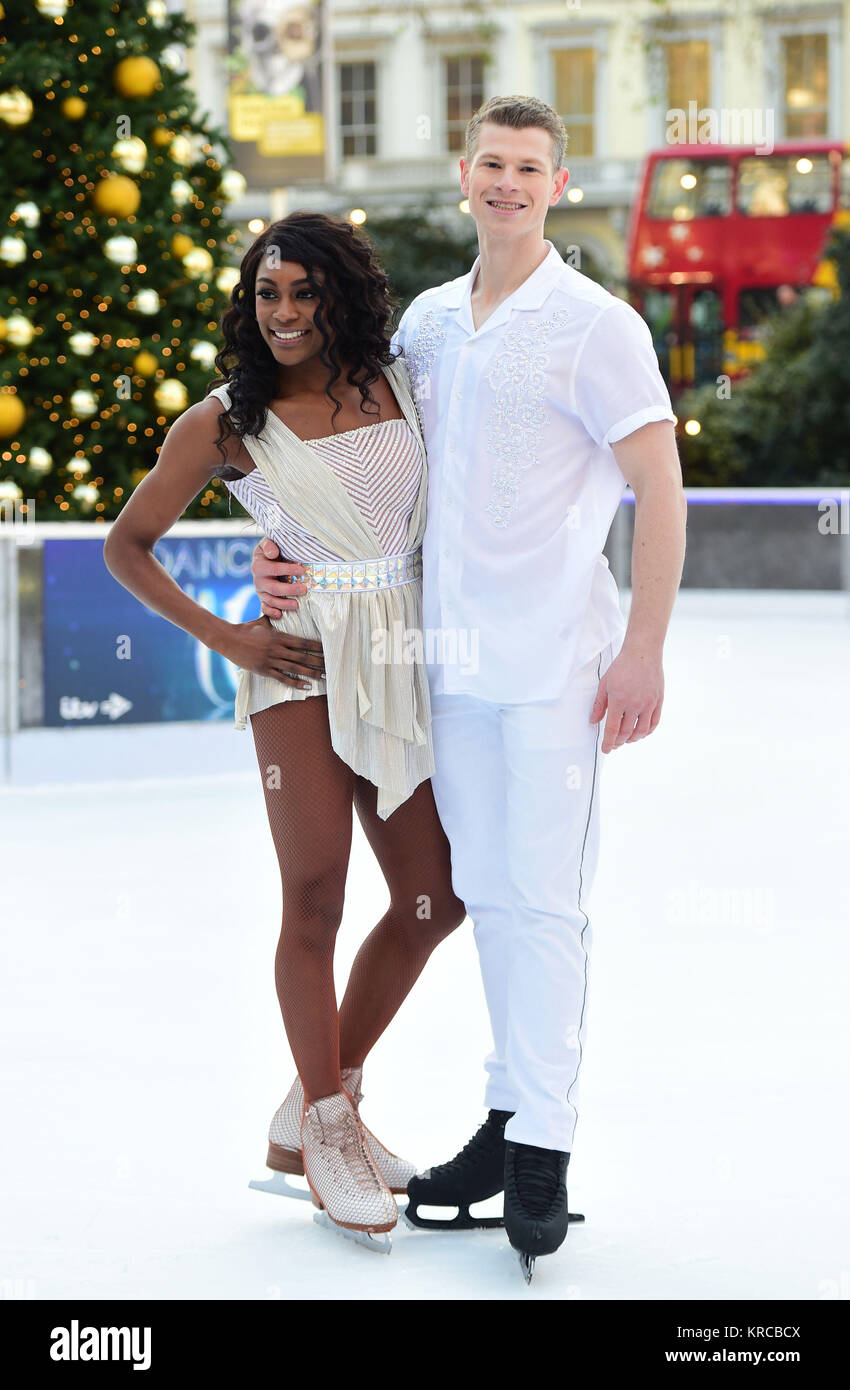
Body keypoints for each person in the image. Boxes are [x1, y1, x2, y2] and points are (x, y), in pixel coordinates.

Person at [250, 96, 687, 1280]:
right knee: (480, 892)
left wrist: (642, 646)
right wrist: (272, 541)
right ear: (464, 175)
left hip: (555, 669)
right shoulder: (432, 325)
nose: (506, 182)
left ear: (556, 184)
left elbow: (661, 484)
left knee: (541, 901)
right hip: (437, 668)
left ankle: (543, 1143)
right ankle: (505, 1114)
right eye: (490, 163)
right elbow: (352, 454)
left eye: (528, 167)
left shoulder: (596, 326)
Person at [103, 212, 466, 1250]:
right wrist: (231, 635)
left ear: (342, 295)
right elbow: (129, 547)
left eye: (305, 293)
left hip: (399, 650)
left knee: (435, 896)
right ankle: (327, 1126)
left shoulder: (401, 385)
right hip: (298, 659)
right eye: (268, 295)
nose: (286, 314)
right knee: (313, 893)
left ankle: (318, 1102)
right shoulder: (222, 421)